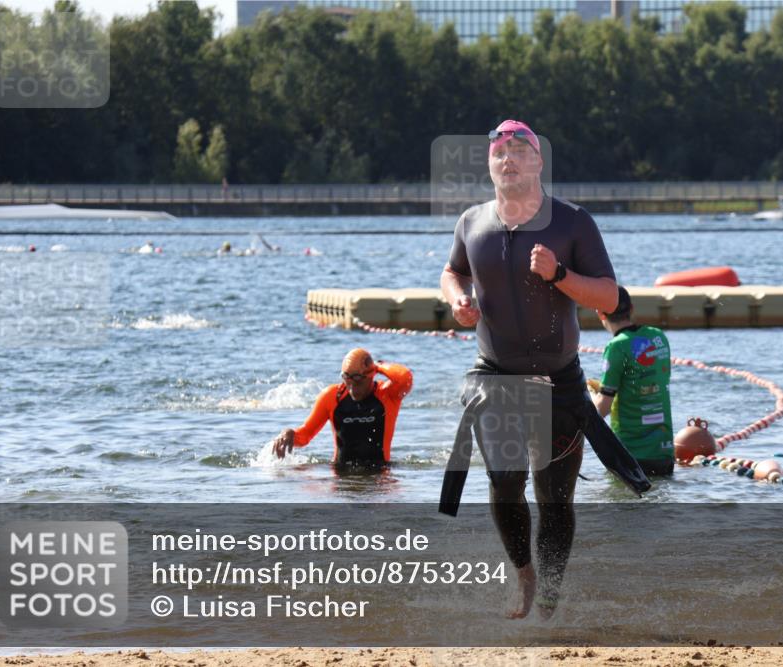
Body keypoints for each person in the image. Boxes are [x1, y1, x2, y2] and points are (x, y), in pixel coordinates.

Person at [439, 119, 649, 620]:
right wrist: (457, 300)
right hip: (496, 376)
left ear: (538, 162)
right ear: (490, 164)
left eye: (518, 149)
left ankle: (551, 586)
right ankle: (524, 574)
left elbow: (610, 296)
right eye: (498, 152)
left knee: (554, 496)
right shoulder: (471, 223)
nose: (507, 158)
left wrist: (558, 273)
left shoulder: (573, 222)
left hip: (559, 382)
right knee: (505, 480)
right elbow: (452, 271)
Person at [271, 349, 413, 469]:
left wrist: (378, 366)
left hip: (380, 475)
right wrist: (288, 434)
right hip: (340, 475)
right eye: (347, 378)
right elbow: (305, 435)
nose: (352, 387)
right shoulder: (332, 397)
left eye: (357, 379)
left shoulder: (387, 395)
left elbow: (404, 377)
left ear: (371, 375)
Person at [591, 286, 675, 476]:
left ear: (601, 314)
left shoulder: (617, 346)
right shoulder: (658, 337)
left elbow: (602, 408)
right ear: (632, 308)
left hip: (631, 456)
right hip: (664, 453)